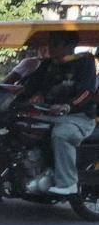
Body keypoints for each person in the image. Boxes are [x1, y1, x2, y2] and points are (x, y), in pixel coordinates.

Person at [30, 31, 97, 196]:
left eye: (56, 43)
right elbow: (31, 85)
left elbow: (86, 93)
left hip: (78, 117)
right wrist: (35, 94)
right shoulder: (48, 64)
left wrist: (67, 106)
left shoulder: (84, 63)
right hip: (48, 114)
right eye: (50, 42)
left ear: (70, 46)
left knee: (62, 133)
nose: (51, 47)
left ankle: (68, 183)